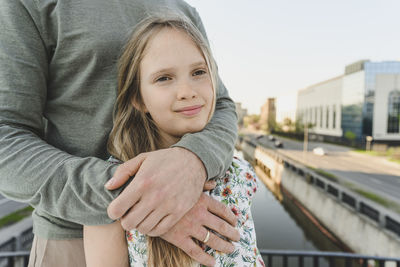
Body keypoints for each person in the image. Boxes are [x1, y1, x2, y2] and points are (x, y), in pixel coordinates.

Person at [0, 1, 239, 266]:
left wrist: (194, 159)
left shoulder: (182, 9)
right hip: (74, 238)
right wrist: (144, 196)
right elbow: (6, 135)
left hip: (197, 233)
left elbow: (221, 104)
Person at [83, 15, 265, 267]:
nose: (187, 91)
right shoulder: (115, 185)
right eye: (164, 78)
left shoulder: (237, 172)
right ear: (138, 98)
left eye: (199, 72)